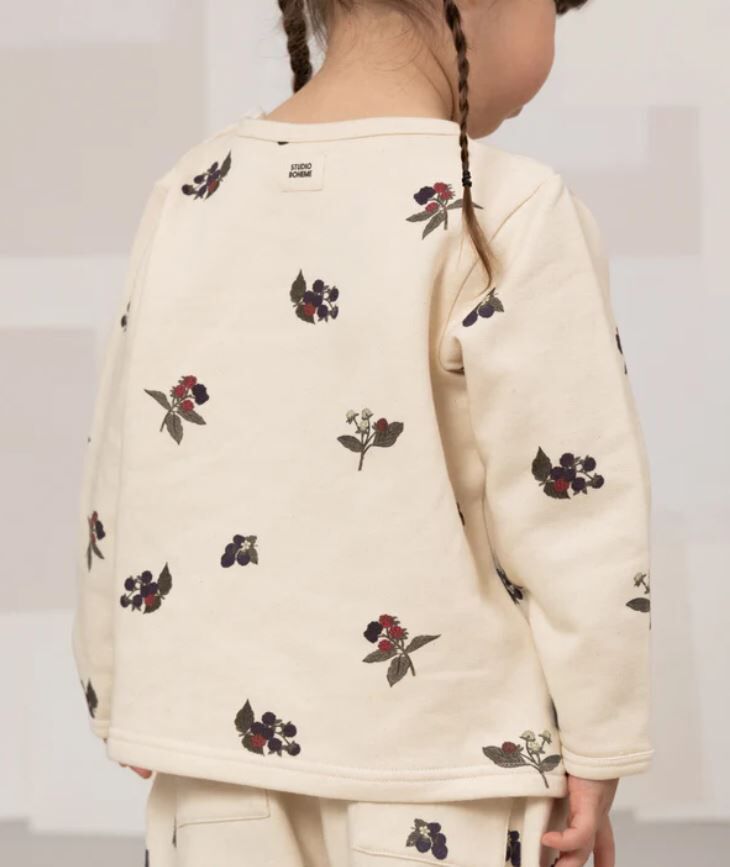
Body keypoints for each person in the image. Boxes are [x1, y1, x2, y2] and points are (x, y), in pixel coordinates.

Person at [71, 1, 654, 865]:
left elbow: (122, 454)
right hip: (449, 766)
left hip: (218, 758)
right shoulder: (507, 208)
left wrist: (118, 685)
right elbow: (575, 515)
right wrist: (601, 739)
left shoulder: (194, 188)